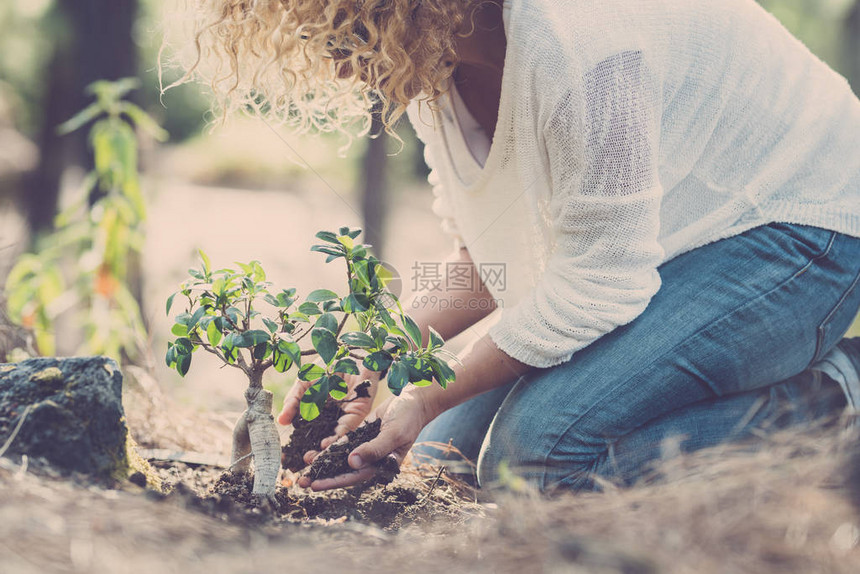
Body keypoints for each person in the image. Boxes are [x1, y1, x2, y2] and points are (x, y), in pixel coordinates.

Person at [188, 0, 860, 492]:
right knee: (442, 462)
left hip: (800, 223)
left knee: (533, 463)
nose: (333, 63)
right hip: (667, 243)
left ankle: (832, 398)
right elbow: (489, 257)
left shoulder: (585, 40)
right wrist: (372, 354)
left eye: (343, 26)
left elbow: (599, 283)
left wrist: (424, 394)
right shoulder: (427, 64)